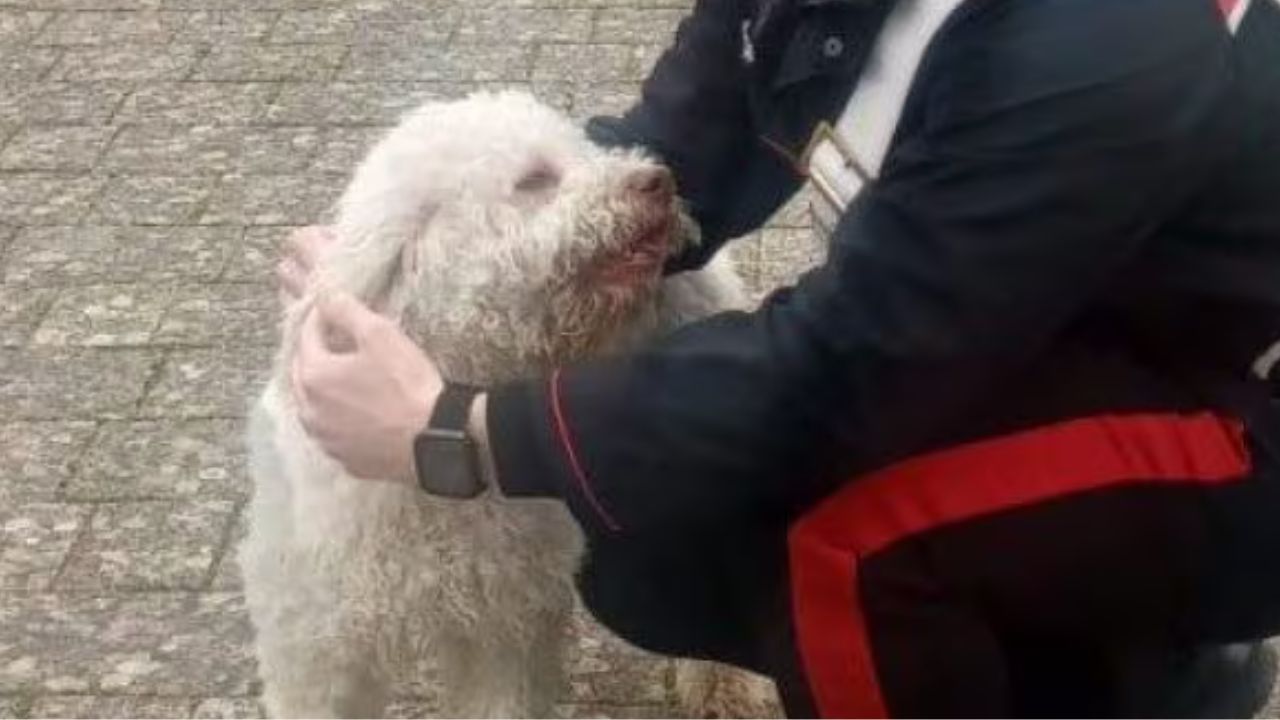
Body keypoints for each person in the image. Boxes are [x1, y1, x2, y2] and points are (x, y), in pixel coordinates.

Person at [281, 0, 1280, 715]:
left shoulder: (1096, 36)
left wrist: (459, 431)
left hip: (1228, 426)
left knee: (840, 543)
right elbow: (670, 156)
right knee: (654, 518)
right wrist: (407, 268)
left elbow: (854, 365)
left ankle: (1173, 671)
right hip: (1022, 329)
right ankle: (1085, 660)